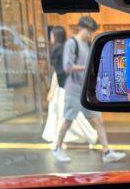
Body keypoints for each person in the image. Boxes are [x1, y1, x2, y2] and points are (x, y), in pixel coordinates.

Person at [51, 16, 125, 164]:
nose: (90, 34)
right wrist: (87, 67)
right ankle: (57, 148)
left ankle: (106, 152)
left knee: (98, 121)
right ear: (81, 28)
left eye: (92, 32)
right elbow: (67, 67)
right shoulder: (72, 43)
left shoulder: (87, 43)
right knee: (68, 121)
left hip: (87, 90)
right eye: (89, 31)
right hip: (74, 90)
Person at [42, 26, 98, 149]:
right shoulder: (66, 49)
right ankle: (65, 140)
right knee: (67, 115)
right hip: (67, 87)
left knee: (65, 115)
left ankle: (88, 136)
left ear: (55, 36)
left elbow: (58, 73)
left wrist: (51, 90)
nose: (50, 38)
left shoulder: (58, 51)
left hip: (63, 88)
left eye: (51, 36)